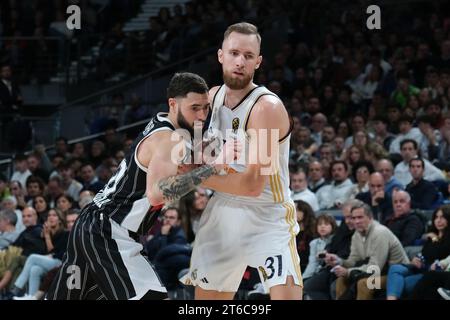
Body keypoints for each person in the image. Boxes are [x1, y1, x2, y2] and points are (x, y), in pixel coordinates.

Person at [45, 72, 238, 300]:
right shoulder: (168, 139)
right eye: (195, 108)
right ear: (173, 104)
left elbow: (172, 166)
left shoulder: (165, 123)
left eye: (205, 108)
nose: (202, 115)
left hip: (91, 225)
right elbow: (157, 194)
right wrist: (214, 167)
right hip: (109, 230)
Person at [182, 22, 303, 300]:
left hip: (267, 213)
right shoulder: (211, 97)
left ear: (258, 62)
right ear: (220, 55)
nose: (240, 62)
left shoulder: (266, 108)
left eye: (248, 56)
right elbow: (196, 157)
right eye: (234, 53)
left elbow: (250, 185)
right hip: (223, 209)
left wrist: (197, 172)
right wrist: (200, 163)